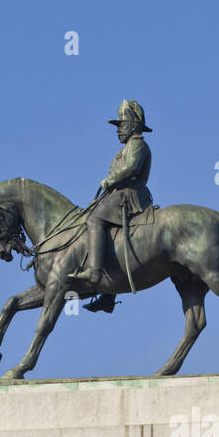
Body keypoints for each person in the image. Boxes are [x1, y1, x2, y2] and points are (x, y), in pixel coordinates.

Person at [82, 99, 153, 314]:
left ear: (133, 124)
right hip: (120, 195)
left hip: (131, 196)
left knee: (94, 219)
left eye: (121, 124)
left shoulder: (138, 144)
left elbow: (131, 168)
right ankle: (108, 296)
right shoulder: (127, 147)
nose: (118, 130)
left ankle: (94, 273)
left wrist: (110, 180)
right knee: (110, 234)